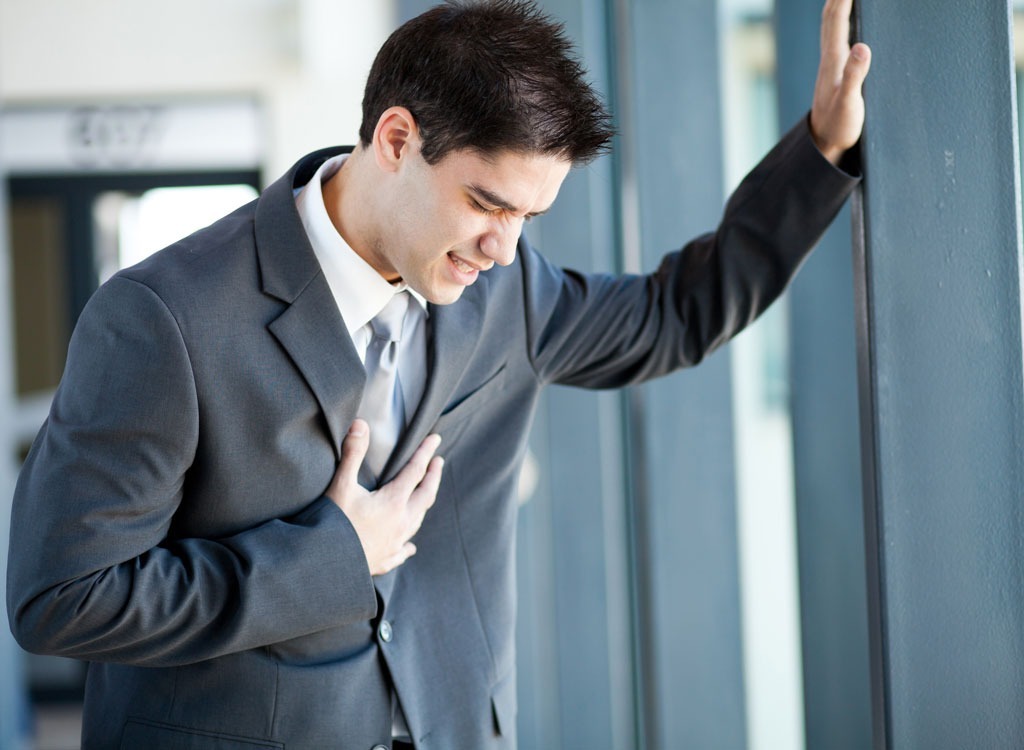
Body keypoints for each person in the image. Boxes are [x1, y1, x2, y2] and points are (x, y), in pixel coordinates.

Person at [7, 0, 870, 747]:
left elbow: (677, 315)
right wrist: (330, 557)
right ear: (396, 138)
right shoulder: (163, 318)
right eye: (487, 204)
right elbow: (62, 597)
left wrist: (821, 152)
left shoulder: (509, 292)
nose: (504, 249)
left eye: (530, 216)